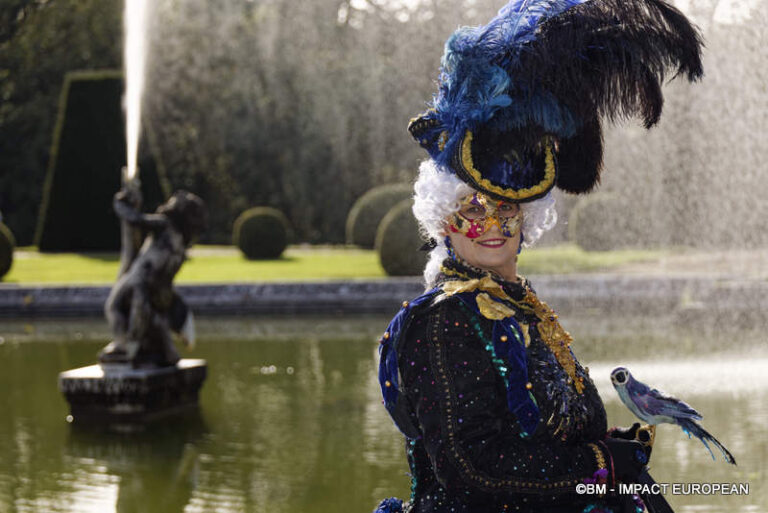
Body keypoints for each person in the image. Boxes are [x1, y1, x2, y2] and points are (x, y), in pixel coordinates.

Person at [374, 1, 703, 512]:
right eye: (473, 208)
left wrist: (606, 447)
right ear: (443, 218)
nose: (493, 225)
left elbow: (540, 437)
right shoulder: (443, 321)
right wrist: (600, 464)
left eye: (507, 208)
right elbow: (474, 473)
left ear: (528, 216)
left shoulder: (517, 304)